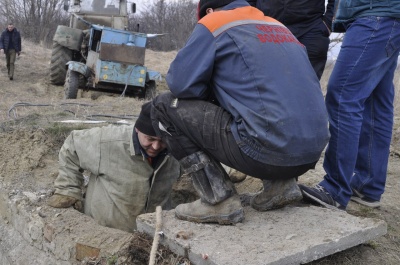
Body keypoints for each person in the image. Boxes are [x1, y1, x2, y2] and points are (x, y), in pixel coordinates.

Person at [149, 0, 329, 225]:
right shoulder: (276, 25)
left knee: (164, 106)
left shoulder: (214, 22)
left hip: (266, 153)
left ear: (209, 10)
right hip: (310, 152)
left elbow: (180, 84)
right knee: (257, 101)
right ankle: (281, 185)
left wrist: (214, 90)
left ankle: (218, 200)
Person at [299, 1, 400, 210]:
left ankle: (335, 188)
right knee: (375, 102)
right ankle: (367, 186)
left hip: (374, 16)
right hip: (385, 16)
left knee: (343, 95)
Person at [47, 102, 181, 232]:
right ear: (138, 129)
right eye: (150, 139)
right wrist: (68, 189)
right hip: (105, 234)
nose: (156, 146)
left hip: (153, 236)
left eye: (163, 140)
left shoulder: (177, 150)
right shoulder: (108, 141)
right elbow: (73, 145)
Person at [247, 0, 334, 80]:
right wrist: (250, 19)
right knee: (267, 86)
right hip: (266, 28)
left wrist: (329, 22)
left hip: (310, 28)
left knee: (307, 87)